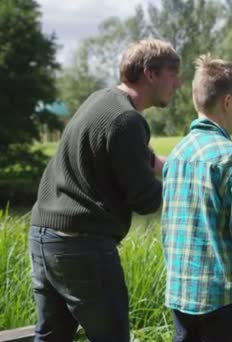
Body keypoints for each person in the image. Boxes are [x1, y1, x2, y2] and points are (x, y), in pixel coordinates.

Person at [29, 39, 181, 341]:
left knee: (50, 337)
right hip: (83, 247)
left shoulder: (102, 100)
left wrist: (169, 165)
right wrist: (184, 186)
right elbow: (145, 199)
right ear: (150, 74)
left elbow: (124, 152)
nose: (178, 83)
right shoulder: (128, 120)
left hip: (44, 236)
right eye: (173, 73)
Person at [161, 55, 232, 342]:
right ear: (227, 101)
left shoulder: (176, 157)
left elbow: (167, 232)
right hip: (223, 301)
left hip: (180, 295)